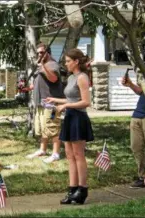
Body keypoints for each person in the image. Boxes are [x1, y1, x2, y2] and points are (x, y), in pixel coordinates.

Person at [46, 48, 94, 204]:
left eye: (68, 61)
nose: (65, 64)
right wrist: (55, 100)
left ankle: (82, 189)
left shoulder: (82, 77)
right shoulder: (72, 77)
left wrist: (66, 106)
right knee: (69, 155)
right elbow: (71, 99)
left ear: (76, 62)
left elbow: (86, 102)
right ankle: (72, 189)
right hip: (70, 117)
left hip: (79, 118)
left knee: (79, 155)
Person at [25, 43, 64, 163]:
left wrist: (42, 65)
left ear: (48, 52)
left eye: (41, 52)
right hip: (40, 103)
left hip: (51, 104)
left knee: (53, 128)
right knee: (43, 129)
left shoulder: (52, 64)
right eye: (38, 53)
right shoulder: (42, 66)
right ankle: (42, 150)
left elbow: (53, 78)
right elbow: (40, 81)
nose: (39, 55)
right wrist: (28, 88)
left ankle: (56, 153)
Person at [121, 70, 145, 188]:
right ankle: (143, 177)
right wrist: (131, 85)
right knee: (136, 147)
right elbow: (142, 92)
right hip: (137, 114)